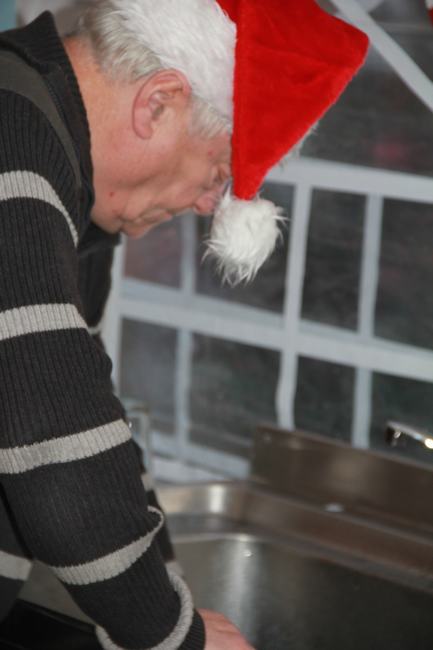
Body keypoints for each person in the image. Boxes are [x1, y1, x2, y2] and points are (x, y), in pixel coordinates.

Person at [0, 1, 368, 648]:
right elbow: (53, 435)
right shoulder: (13, 148)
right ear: (158, 103)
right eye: (218, 175)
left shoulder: (69, 185)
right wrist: (172, 633)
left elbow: (87, 411)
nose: (206, 205)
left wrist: (168, 604)